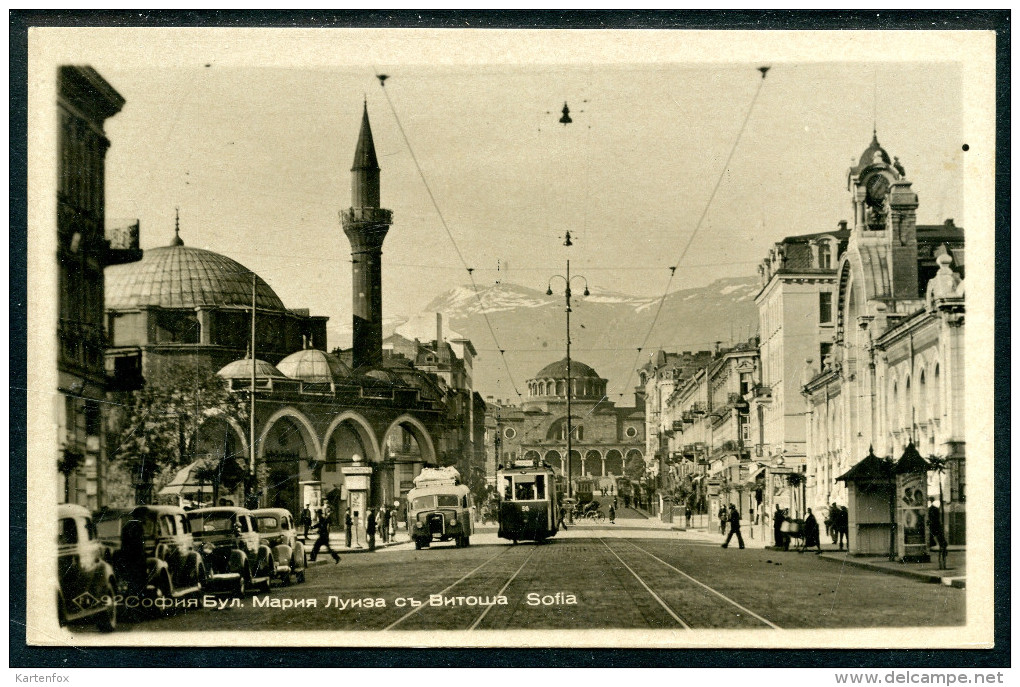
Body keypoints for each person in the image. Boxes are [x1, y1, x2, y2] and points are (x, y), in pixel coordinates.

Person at [928, 498, 949, 569]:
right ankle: (942, 563)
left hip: (935, 528)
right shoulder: (935, 509)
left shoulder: (932, 509)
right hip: (936, 528)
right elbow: (937, 520)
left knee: (942, 545)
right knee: (943, 545)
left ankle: (942, 563)